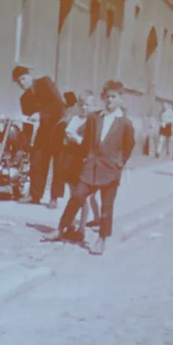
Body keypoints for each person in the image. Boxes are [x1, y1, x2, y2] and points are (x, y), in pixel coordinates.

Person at [44, 80, 135, 256]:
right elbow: (86, 142)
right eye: (107, 97)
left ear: (120, 99)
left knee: (106, 207)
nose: (110, 100)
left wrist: (119, 164)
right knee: (77, 196)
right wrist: (86, 159)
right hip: (91, 168)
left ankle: (101, 239)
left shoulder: (124, 123)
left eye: (114, 97)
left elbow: (129, 145)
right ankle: (61, 228)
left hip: (110, 170)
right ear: (103, 97)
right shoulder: (95, 118)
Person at [12, 65, 67, 209]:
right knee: (37, 160)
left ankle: (54, 198)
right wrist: (24, 145)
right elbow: (27, 124)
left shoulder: (45, 83)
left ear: (30, 76)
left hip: (59, 127)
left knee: (58, 165)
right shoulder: (24, 99)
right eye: (18, 81)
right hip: (44, 131)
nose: (22, 83)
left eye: (23, 78)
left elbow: (59, 104)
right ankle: (35, 195)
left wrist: (41, 115)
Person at [60, 89, 101, 240]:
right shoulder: (76, 119)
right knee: (72, 194)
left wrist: (75, 138)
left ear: (93, 106)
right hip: (71, 159)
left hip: (84, 161)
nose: (85, 108)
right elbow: (66, 133)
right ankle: (70, 225)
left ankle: (82, 228)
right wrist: (69, 137)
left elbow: (89, 143)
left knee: (81, 196)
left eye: (88, 105)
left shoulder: (93, 122)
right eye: (82, 104)